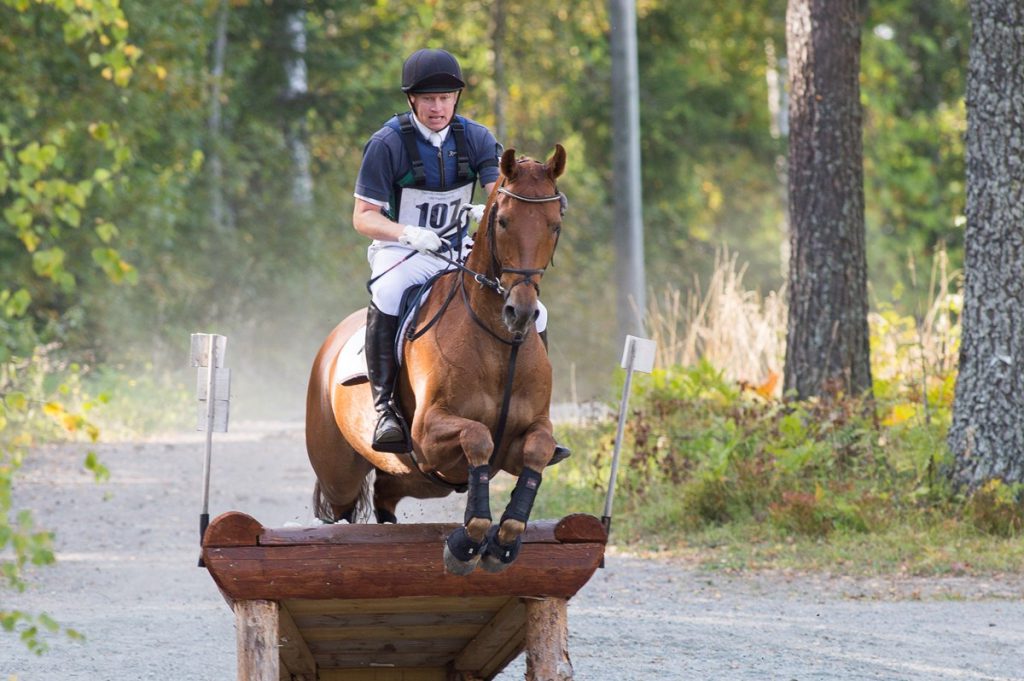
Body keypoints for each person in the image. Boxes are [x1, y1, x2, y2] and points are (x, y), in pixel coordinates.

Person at [353, 48, 567, 464]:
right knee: (389, 293)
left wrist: (519, 203)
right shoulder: (387, 144)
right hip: (401, 249)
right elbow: (363, 216)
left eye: (445, 98)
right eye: (428, 99)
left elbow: (501, 193)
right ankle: (386, 408)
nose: (437, 107)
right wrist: (407, 232)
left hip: (457, 248)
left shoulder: (475, 138)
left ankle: (535, 412)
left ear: (456, 98)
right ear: (412, 100)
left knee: (537, 312)